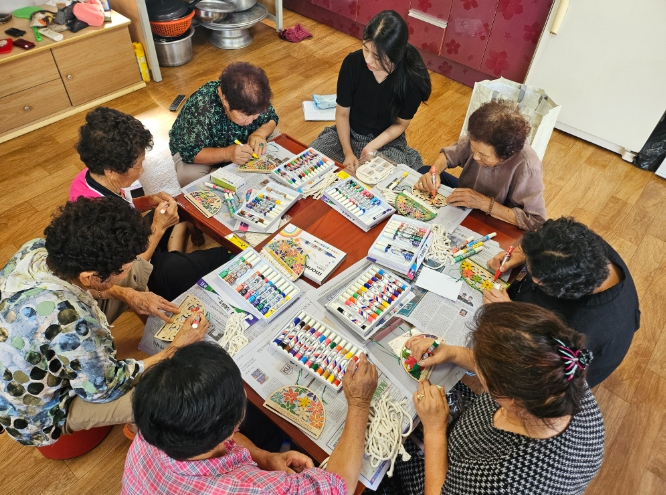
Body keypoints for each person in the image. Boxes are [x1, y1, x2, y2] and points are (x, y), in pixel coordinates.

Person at [0, 198, 208, 447]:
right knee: (168, 394)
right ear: (89, 277)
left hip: (28, 356)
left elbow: (82, 293)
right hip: (38, 414)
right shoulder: (73, 322)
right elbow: (103, 389)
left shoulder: (37, 250)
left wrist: (128, 294)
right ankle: (138, 423)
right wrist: (175, 348)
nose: (129, 270)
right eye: (124, 268)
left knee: (128, 287)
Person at [380, 302, 605, 495]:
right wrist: (454, 353)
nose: (475, 360)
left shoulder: (502, 480)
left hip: (444, 469)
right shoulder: (563, 373)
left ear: (508, 397)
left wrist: (434, 430)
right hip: (464, 437)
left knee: (390, 451)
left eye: (481, 365)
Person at [122, 342, 379, 495]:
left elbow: (214, 442)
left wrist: (264, 458)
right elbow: (337, 487)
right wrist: (359, 403)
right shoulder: (256, 490)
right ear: (232, 425)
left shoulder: (155, 424)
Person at [70, 107, 234, 304]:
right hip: (131, 272)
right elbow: (131, 270)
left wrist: (148, 201)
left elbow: (126, 206)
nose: (142, 171)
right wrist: (159, 227)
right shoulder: (100, 215)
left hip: (130, 238)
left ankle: (176, 242)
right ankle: (176, 253)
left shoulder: (90, 177)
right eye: (138, 165)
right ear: (111, 170)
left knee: (180, 205)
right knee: (221, 257)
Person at [484, 217, 640, 387]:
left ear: (559, 291)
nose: (527, 269)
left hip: (557, 372)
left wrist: (509, 315)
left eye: (532, 274)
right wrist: (523, 255)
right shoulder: (587, 247)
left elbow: (539, 366)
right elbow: (544, 240)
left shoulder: (580, 331)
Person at [310, 10, 431, 169]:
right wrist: (348, 152)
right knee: (312, 159)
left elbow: (400, 124)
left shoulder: (412, 79)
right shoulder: (352, 63)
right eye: (365, 49)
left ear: (395, 55)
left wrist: (371, 148)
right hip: (348, 135)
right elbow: (342, 113)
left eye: (377, 56)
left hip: (386, 143)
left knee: (387, 177)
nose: (368, 60)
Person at [415, 100, 546, 230]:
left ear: (505, 155)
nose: (475, 157)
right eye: (473, 148)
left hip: (497, 216)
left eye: (484, 155)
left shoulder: (528, 167)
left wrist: (484, 203)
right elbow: (448, 155)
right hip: (470, 197)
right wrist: (434, 173)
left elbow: (536, 221)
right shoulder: (481, 138)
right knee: (425, 170)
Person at [169, 62, 279, 186]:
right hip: (205, 151)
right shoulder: (201, 106)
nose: (250, 121)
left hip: (242, 144)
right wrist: (228, 153)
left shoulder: (255, 96)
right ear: (225, 100)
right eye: (245, 116)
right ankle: (218, 171)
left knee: (277, 139)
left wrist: (260, 134)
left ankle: (224, 173)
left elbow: (271, 118)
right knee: (189, 177)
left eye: (256, 115)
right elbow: (191, 153)